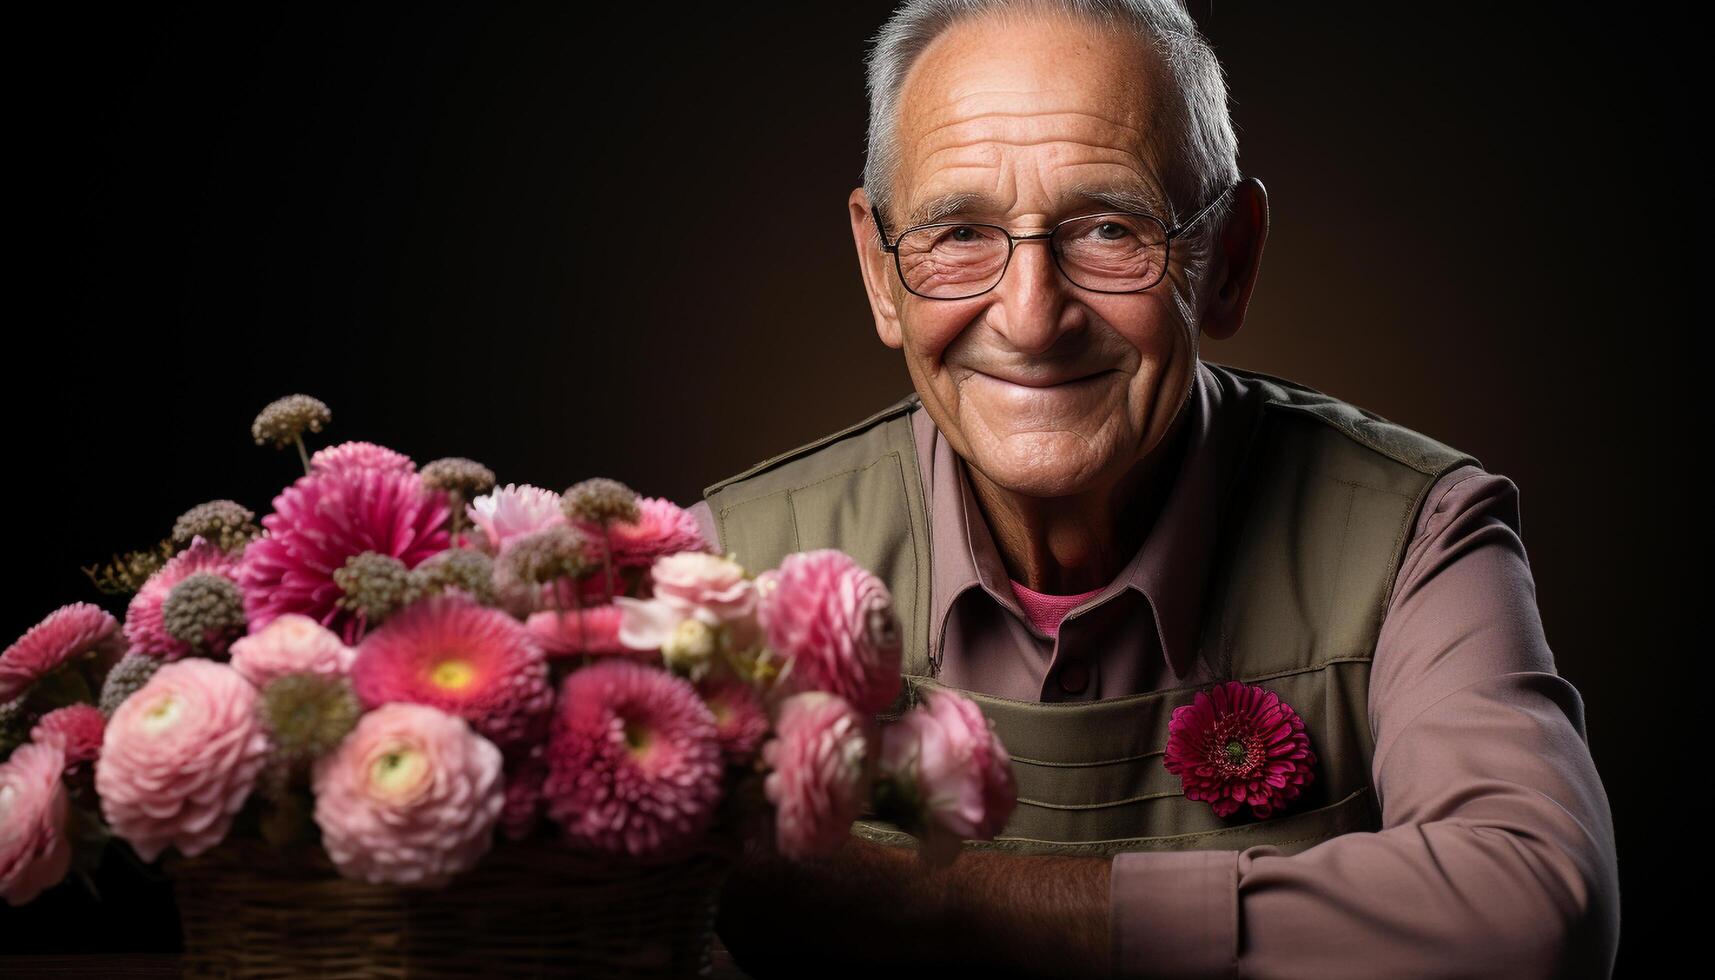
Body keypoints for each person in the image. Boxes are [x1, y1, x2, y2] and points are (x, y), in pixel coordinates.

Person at [688, 1, 1620, 976]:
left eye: (1106, 226)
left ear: (1228, 258)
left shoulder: (1417, 537)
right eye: (959, 231)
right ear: (881, 273)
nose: (1031, 317)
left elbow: (1536, 913)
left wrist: (930, 908)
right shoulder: (725, 567)